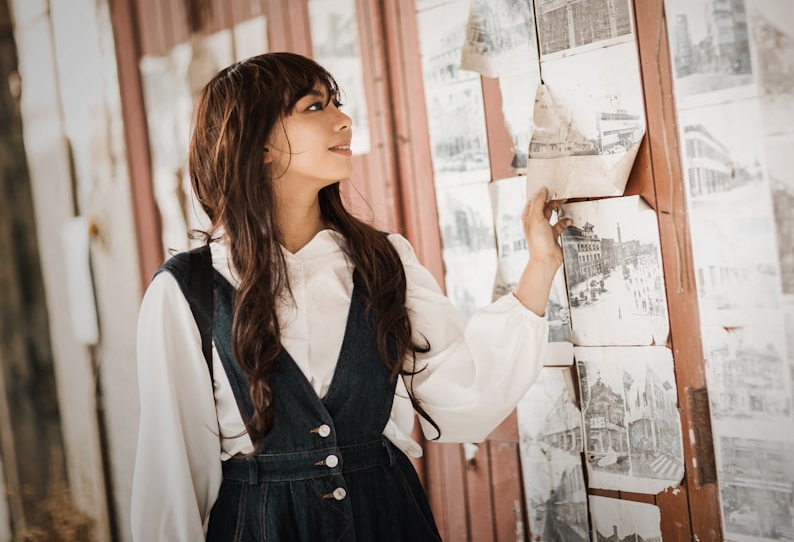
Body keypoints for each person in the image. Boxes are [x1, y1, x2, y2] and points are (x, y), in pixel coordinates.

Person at [131, 52, 571, 540]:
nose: (344, 121)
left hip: (389, 519)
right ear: (258, 146)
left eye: (336, 104)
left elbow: (464, 395)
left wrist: (541, 265)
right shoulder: (187, 291)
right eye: (315, 108)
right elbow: (171, 480)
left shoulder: (384, 261)